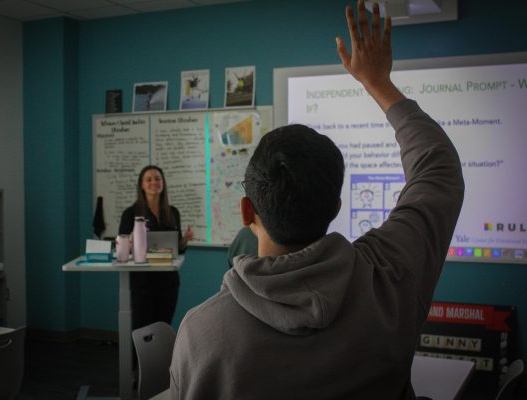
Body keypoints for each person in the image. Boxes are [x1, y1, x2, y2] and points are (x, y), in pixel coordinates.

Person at [170, 2, 464, 399]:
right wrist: (378, 82)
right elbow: (438, 168)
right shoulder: (390, 279)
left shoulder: (203, 333)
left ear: (246, 211)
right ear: (336, 207)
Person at [118, 165, 194, 330]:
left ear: (163, 183)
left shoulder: (173, 212)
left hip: (168, 281)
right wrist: (130, 241)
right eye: (149, 179)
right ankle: (138, 358)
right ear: (142, 185)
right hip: (142, 282)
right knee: (142, 330)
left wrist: (186, 239)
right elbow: (122, 249)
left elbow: (177, 250)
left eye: (158, 178)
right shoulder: (130, 213)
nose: (154, 182)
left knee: (162, 328)